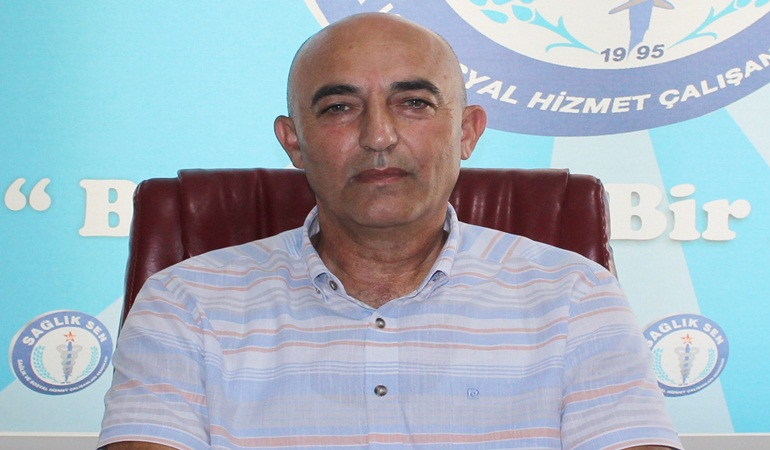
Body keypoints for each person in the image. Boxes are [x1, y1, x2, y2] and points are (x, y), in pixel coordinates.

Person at [98, 13, 683, 450]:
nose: (378, 136)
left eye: (414, 103)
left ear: (467, 132)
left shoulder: (576, 297)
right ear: (293, 142)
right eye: (339, 107)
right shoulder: (185, 303)